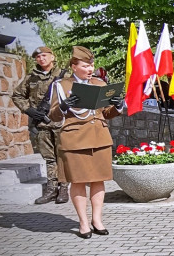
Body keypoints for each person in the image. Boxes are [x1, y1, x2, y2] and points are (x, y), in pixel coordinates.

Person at [48, 46, 123, 238]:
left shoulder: (99, 83)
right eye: (85, 66)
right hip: (75, 140)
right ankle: (83, 222)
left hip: (99, 138)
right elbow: (53, 116)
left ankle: (97, 220)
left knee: (98, 180)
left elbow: (106, 113)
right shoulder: (62, 85)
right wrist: (63, 106)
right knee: (78, 181)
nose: (90, 69)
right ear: (74, 67)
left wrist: (118, 106)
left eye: (91, 65)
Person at [12, 46, 69, 204]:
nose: (41, 58)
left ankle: (64, 189)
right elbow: (17, 95)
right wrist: (28, 110)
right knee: (49, 158)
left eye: (44, 55)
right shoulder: (31, 78)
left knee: (63, 156)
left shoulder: (64, 76)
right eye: (38, 57)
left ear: (52, 57)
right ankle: (51, 190)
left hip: (60, 123)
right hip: (41, 124)